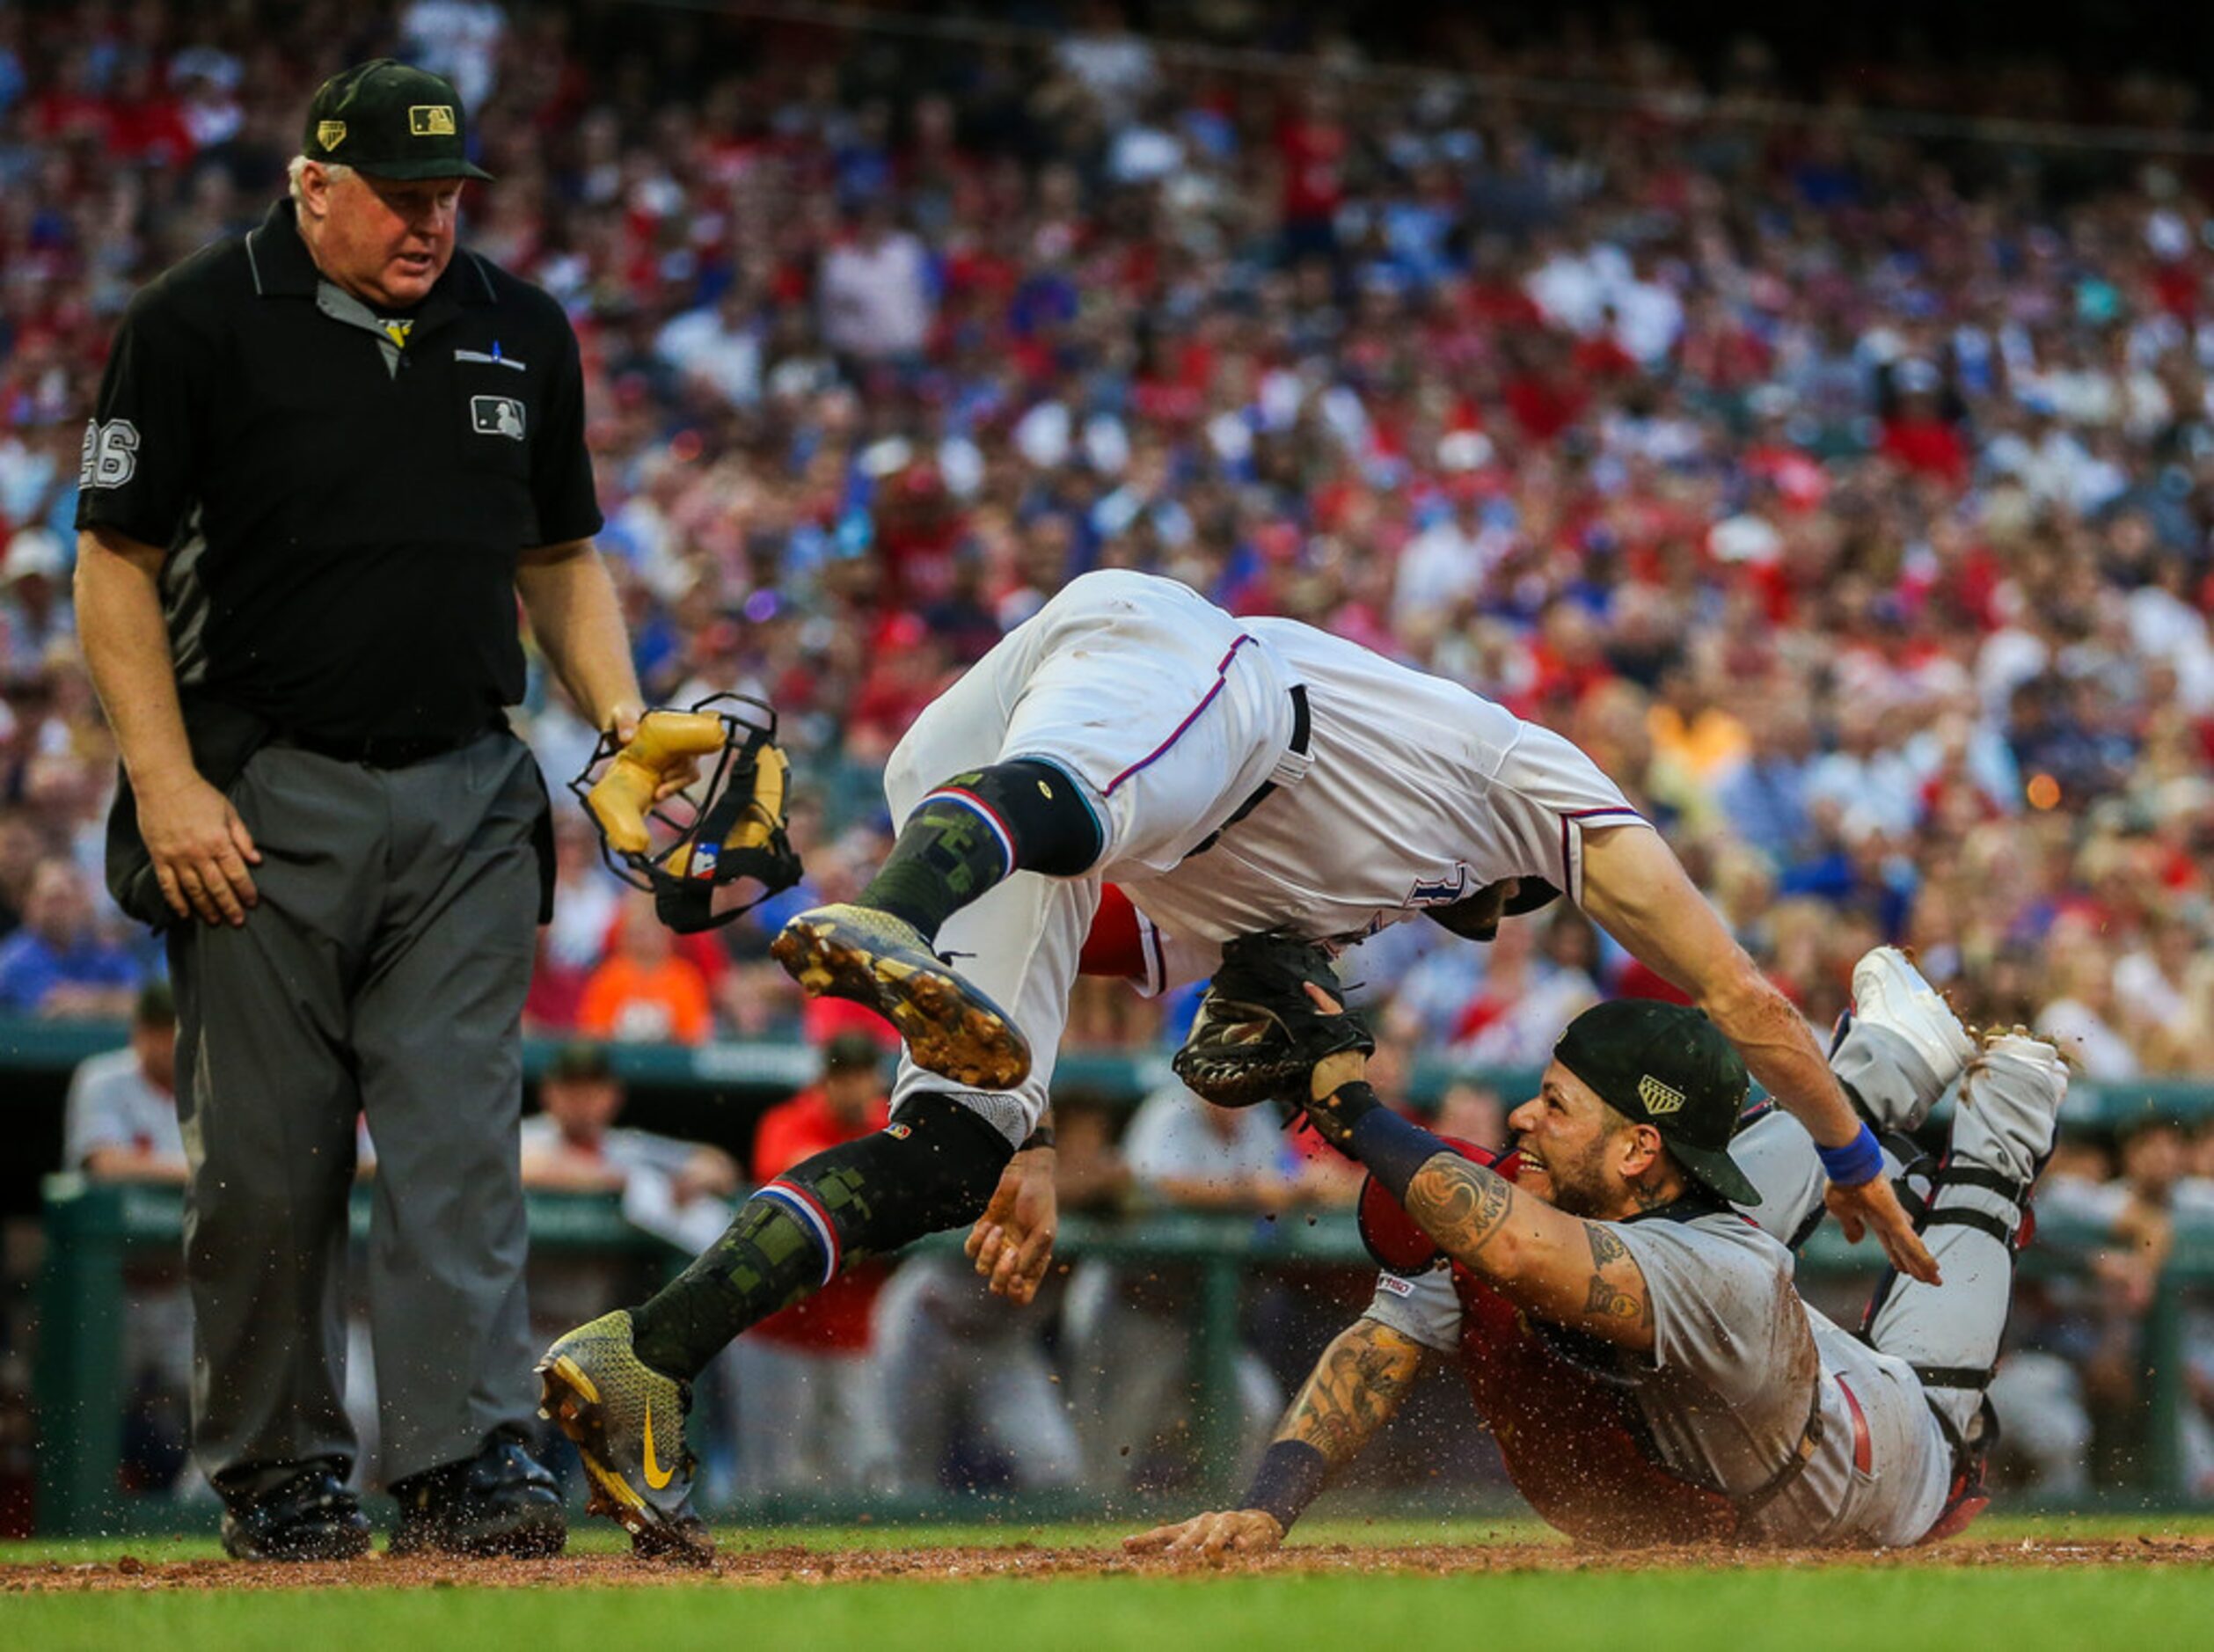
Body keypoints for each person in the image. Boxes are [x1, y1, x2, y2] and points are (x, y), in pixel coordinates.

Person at [538, 569, 1933, 1556]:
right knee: (1073, 809)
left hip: (1008, 781)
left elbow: (1086, 939)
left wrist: (1017, 1133)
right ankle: (883, 905)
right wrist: (1851, 1154)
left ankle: (647, 1351)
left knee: (945, 1151)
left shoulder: (1310, 911)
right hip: (1177, 663)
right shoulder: (1528, 780)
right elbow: (1741, 989)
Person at [74, 60, 647, 1561]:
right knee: (268, 1160)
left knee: (460, 1140)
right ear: (310, 180)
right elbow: (113, 562)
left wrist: (625, 722)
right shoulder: (193, 321)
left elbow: (562, 552)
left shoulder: (518, 326)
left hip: (465, 784)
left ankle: (464, 1457)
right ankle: (280, 1474)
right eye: (400, 192)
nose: (429, 220)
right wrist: (168, 781)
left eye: (449, 192)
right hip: (260, 795)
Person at [1129, 948, 2070, 1554]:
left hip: (1883, 1454)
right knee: (1657, 1195)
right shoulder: (1591, 1185)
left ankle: (2006, 1122)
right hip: (1737, 1355)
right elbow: (1387, 1339)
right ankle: (1895, 1058)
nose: (1522, 1114)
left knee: (1943, 1355)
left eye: (1558, 1104)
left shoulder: (1715, 1269)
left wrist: (1349, 1108)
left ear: (1633, 1145)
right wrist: (1270, 1503)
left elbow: (1529, 1255)